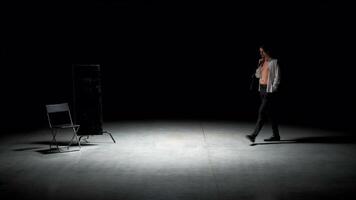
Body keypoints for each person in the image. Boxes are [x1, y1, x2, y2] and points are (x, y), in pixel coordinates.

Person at [246, 45, 281, 143]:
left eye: (262, 51)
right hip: (261, 89)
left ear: (267, 51)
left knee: (261, 112)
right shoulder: (261, 62)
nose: (260, 53)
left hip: (268, 90)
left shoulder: (274, 62)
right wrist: (259, 66)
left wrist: (272, 89)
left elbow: (277, 78)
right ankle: (276, 135)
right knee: (270, 113)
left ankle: (253, 135)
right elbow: (257, 76)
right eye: (260, 52)